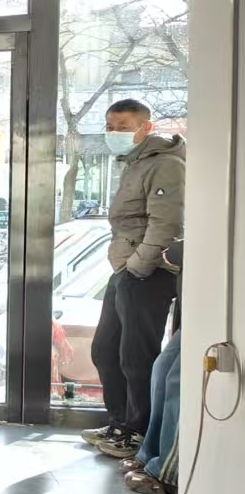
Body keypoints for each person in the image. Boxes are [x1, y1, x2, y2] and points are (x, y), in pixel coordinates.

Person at [82, 100, 184, 461]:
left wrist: (137, 267)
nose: (114, 133)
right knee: (105, 349)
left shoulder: (165, 164)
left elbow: (166, 225)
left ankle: (138, 432)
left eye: (122, 126)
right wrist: (126, 269)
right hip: (126, 270)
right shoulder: (135, 163)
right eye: (110, 126)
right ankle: (119, 422)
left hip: (148, 273)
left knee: (136, 356)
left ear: (146, 127)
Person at [123, 243, 182, 494]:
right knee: (162, 367)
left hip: (218, 308)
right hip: (199, 308)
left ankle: (170, 472)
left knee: (179, 379)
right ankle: (150, 454)